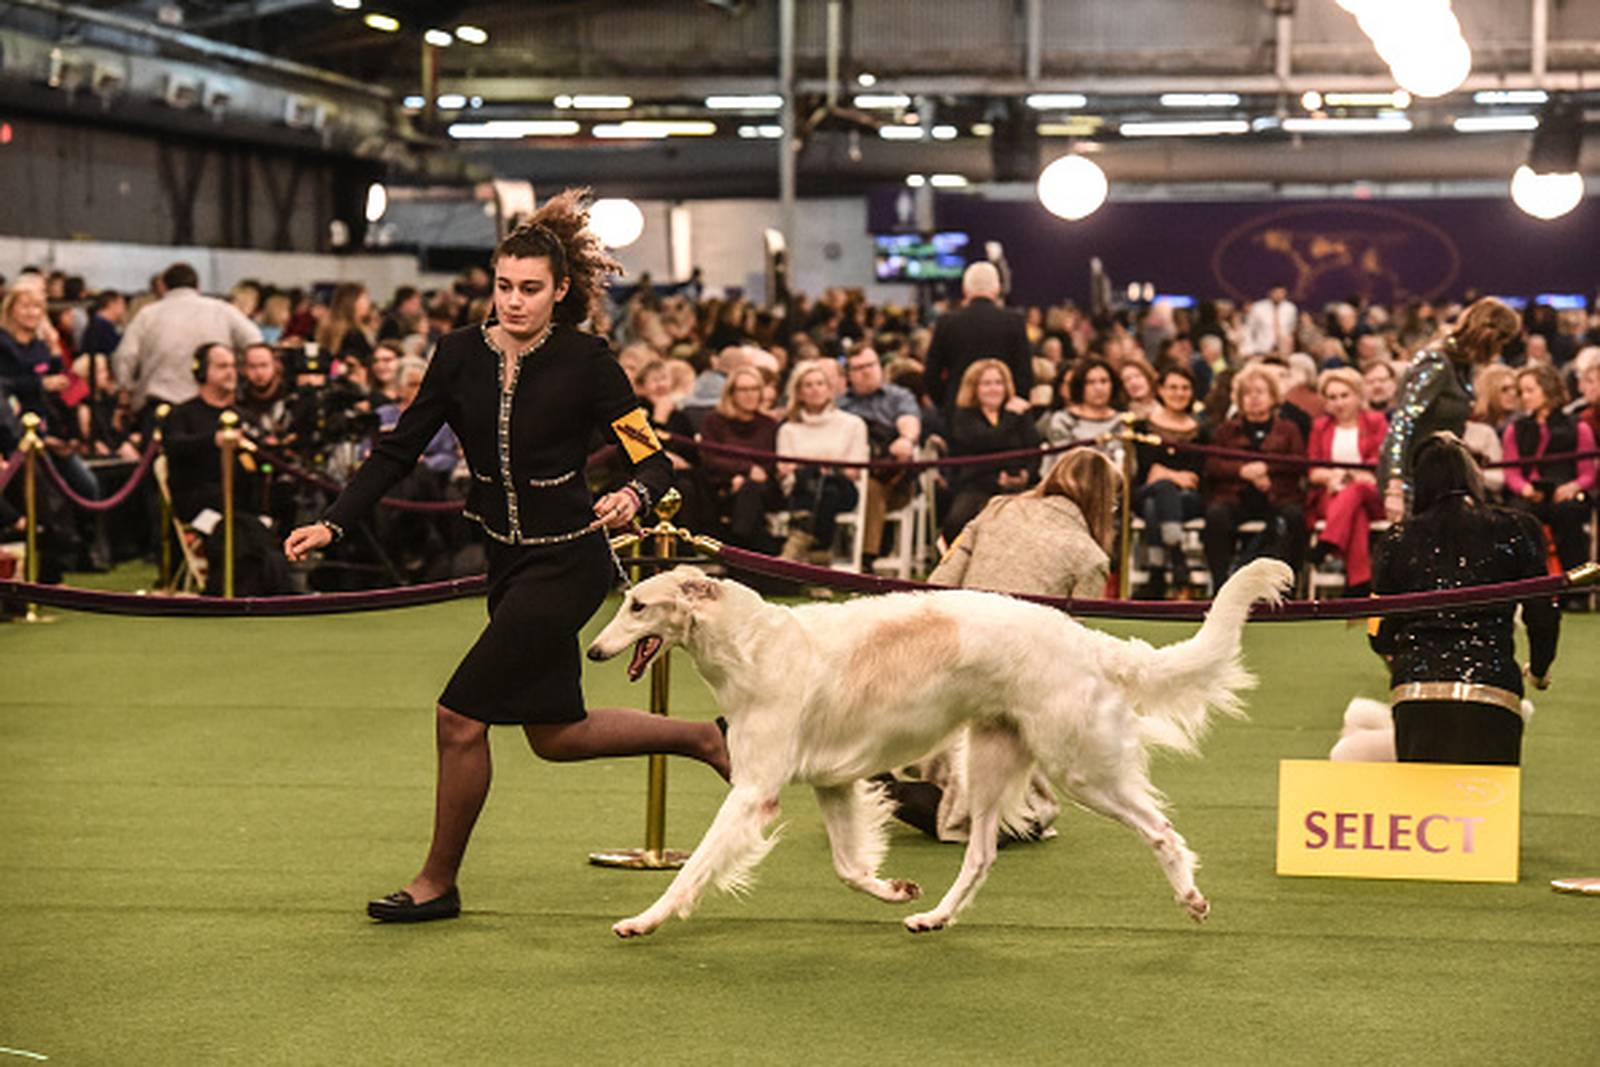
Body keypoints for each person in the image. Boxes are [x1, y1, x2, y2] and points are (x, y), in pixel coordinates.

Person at [283, 191, 728, 924]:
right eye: (502, 286)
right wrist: (334, 521)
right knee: (555, 735)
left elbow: (655, 462)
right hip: (507, 562)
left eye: (529, 289)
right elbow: (399, 448)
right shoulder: (459, 353)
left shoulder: (588, 359)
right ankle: (704, 737)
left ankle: (437, 881)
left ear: (560, 292)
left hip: (571, 561)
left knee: (459, 714)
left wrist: (633, 497)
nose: (513, 302)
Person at [881, 448, 1124, 844]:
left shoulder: (997, 509)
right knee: (1023, 813)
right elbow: (1066, 640)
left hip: (953, 643)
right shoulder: (1091, 557)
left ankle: (900, 781)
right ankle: (944, 804)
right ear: (1103, 501)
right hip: (1012, 670)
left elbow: (940, 582)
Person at [1371, 434, 1560, 765]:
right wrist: (1540, 669)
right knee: (1487, 808)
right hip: (1492, 686)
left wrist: (1401, 654)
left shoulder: (1398, 539)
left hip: (1416, 690)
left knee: (1421, 807)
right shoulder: (1517, 528)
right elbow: (1543, 612)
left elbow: (1379, 632)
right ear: (1474, 476)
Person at [1379, 297, 1520, 522]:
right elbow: (1402, 424)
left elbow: (1437, 425)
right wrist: (1395, 485)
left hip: (1441, 475)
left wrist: (1465, 450)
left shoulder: (1461, 365)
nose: (1499, 351)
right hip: (1413, 479)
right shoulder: (1437, 362)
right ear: (1489, 335)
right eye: (1501, 342)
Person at [165, 343, 290, 595]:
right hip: (201, 506)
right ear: (201, 372)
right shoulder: (182, 414)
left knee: (262, 518)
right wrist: (214, 440)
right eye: (222, 366)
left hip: (244, 506)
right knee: (241, 529)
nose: (230, 372)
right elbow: (174, 446)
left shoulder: (245, 417)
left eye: (233, 366)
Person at [1201, 361, 1307, 590]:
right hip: (1235, 497)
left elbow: (1299, 462)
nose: (1253, 398)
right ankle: (1222, 585)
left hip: (1278, 496)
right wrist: (1242, 471)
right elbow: (1212, 464)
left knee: (1294, 517)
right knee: (1216, 516)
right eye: (1247, 393)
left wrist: (1267, 469)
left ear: (1272, 396)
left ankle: (1286, 586)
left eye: (1260, 392)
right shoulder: (1226, 430)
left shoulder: (1288, 429)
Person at [112, 262, 262, 418]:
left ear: (164, 287)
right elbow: (255, 342)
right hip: (212, 407)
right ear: (198, 286)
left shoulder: (147, 315)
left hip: (161, 407)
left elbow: (125, 356)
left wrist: (127, 390)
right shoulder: (222, 310)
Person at [1501, 362, 1596, 574]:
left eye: (1530, 390)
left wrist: (1572, 487)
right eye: (1521, 392)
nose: (1524, 397)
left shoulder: (1578, 427)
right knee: (1517, 516)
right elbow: (1511, 473)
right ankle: (1526, 583)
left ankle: (1576, 586)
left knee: (1569, 514)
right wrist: (1525, 489)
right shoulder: (1514, 430)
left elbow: (1588, 473)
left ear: (1548, 389)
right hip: (1528, 495)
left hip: (1565, 494)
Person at [774, 359, 869, 562]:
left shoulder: (852, 424)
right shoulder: (788, 429)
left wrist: (824, 466)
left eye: (820, 384)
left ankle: (797, 542)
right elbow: (785, 470)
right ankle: (820, 560)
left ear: (829, 389)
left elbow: (855, 470)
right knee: (816, 482)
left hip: (843, 488)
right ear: (798, 392)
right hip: (800, 490)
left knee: (829, 486)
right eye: (808, 385)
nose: (815, 390)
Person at [1306, 368, 1389, 597]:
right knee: (1356, 514)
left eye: (1344, 395)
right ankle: (1359, 584)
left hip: (1369, 491)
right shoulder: (1319, 427)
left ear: (1357, 395)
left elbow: (1381, 460)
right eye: (1332, 397)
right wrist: (1330, 477)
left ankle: (1328, 543)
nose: (1339, 402)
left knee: (1358, 490)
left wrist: (1356, 475)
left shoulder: (1375, 421)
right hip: (1332, 497)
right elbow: (1313, 471)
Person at [838, 345, 921, 571]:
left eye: (871, 365)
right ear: (849, 375)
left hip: (891, 476)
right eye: (859, 368)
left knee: (871, 488)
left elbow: (909, 420)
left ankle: (866, 558)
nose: (866, 372)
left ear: (880, 367)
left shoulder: (898, 396)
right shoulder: (841, 404)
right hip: (845, 473)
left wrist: (906, 439)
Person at [942, 358, 1040, 544]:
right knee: (957, 521)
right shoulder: (965, 416)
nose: (994, 389)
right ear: (974, 388)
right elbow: (987, 443)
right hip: (977, 483)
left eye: (998, 383)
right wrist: (1010, 417)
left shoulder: (1020, 413)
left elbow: (1034, 449)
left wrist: (1025, 475)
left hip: (1020, 484)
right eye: (986, 384)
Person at [1132, 366, 1206, 598]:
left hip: (1187, 501)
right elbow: (1148, 473)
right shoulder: (1141, 428)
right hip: (1144, 493)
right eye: (1172, 387)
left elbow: (1194, 478)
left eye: (1185, 388)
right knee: (1160, 491)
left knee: (1157, 502)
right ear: (1161, 391)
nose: (1179, 393)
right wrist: (1174, 477)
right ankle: (1177, 557)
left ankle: (1157, 573)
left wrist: (1164, 473)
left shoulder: (1202, 432)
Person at [923, 262, 1032, 413]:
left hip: (957, 412)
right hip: (1004, 414)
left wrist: (947, 402)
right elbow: (1025, 374)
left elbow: (931, 375)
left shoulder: (946, 322)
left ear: (965, 289)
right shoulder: (1015, 321)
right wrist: (1012, 406)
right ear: (998, 289)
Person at [699, 365, 781, 552]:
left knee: (750, 491)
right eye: (743, 390)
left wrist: (745, 478)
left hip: (761, 489)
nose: (749, 395)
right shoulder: (714, 421)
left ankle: (737, 545)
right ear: (731, 393)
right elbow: (710, 458)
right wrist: (742, 471)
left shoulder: (769, 425)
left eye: (754, 389)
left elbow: (769, 464)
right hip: (721, 487)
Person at [1038, 357, 1126, 472]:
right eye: (1090, 382)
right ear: (1079, 386)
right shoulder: (1063, 419)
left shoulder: (1123, 420)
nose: (1099, 388)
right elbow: (1064, 461)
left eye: (1104, 381)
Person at [1242, 284, 1296, 357]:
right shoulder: (1258, 308)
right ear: (1270, 293)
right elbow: (1249, 329)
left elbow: (1291, 329)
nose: (1279, 295)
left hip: (1283, 350)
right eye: (1276, 293)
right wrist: (1248, 348)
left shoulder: (1290, 308)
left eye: (1282, 292)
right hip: (1262, 349)